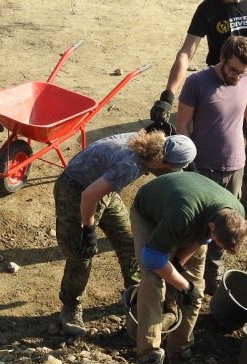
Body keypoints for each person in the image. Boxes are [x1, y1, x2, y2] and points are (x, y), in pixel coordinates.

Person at [149, 0, 247, 220]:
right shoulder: (208, 9)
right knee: (211, 140)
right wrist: (168, 95)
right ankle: (204, 194)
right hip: (217, 84)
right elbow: (187, 51)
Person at [54, 130, 196, 336]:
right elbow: (88, 196)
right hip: (75, 190)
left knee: (130, 242)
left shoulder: (152, 145)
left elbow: (168, 170)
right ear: (161, 161)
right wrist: (88, 229)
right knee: (81, 253)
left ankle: (138, 294)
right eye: (170, 167)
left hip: (103, 190)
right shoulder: (130, 165)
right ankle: (71, 307)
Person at [130, 171, 247, 364]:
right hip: (150, 213)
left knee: (196, 290)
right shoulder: (183, 215)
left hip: (191, 217)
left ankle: (179, 350)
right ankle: (148, 355)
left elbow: (204, 240)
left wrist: (179, 268)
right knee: (153, 280)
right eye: (220, 243)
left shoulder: (236, 213)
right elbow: (152, 258)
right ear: (212, 227)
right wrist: (182, 284)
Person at [176, 35, 247, 293]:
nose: (237, 77)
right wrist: (187, 161)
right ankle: (186, 280)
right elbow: (182, 126)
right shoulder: (196, 83)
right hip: (203, 168)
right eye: (233, 70)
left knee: (226, 228)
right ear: (222, 58)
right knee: (199, 229)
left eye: (243, 72)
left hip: (235, 166)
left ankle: (213, 281)